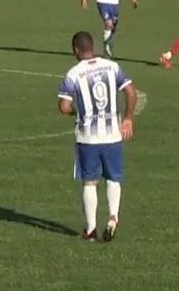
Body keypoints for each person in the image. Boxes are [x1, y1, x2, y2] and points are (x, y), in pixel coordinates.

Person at [58, 31, 137, 242]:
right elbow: (130, 92)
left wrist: (77, 112)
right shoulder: (112, 66)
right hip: (112, 134)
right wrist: (128, 118)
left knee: (90, 182)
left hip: (88, 137)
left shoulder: (73, 74)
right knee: (113, 177)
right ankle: (113, 216)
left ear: (75, 50)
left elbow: (64, 106)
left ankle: (91, 230)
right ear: (92, 46)